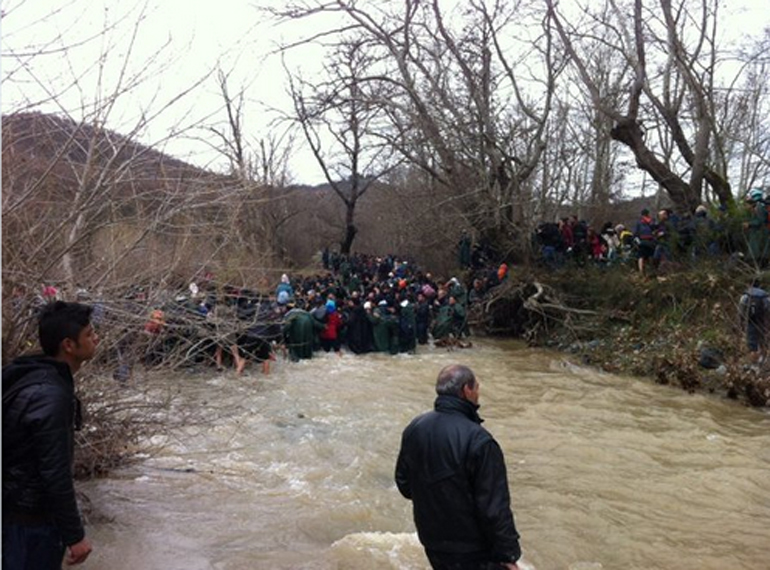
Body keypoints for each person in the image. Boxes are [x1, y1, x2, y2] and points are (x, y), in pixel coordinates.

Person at [395, 364, 522, 570]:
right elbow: (494, 508)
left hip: (432, 541)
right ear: (466, 390)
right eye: (477, 387)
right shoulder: (480, 440)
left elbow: (404, 485)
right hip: (472, 550)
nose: (478, 392)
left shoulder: (415, 428)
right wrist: (509, 555)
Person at [3, 301, 97, 568]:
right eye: (89, 334)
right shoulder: (51, 396)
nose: (96, 338)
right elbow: (54, 472)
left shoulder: (27, 373)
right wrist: (75, 536)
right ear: (69, 345)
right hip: (30, 522)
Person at [739, 277, 770, 369]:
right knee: (763, 342)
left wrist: (741, 323)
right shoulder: (765, 296)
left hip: (750, 322)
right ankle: (763, 362)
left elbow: (741, 311)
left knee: (752, 345)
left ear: (749, 284)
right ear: (759, 285)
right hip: (763, 323)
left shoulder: (745, 296)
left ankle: (754, 366)